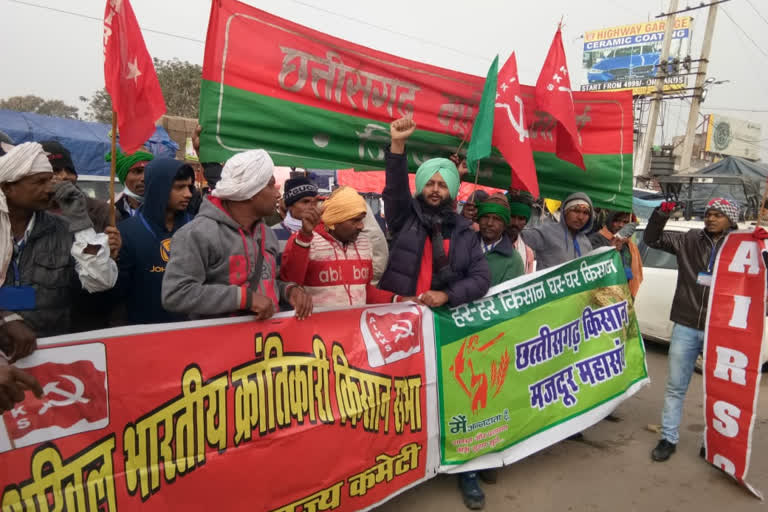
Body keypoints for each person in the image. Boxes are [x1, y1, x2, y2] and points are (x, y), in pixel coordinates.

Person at [381, 118, 490, 510]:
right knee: (405, 400)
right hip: (405, 327)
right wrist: (397, 147)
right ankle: (401, 471)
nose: (435, 189)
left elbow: (481, 278)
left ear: (452, 190)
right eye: (430, 182)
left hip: (448, 326)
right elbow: (394, 189)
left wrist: (447, 295)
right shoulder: (402, 217)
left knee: (458, 400)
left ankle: (467, 472)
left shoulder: (465, 232)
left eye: (442, 184)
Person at [162, 149, 312, 321]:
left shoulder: (267, 234)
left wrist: (289, 290)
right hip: (220, 344)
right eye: (270, 185)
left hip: (267, 343)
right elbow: (175, 294)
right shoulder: (196, 234)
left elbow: (268, 281)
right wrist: (244, 299)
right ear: (249, 191)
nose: (278, 194)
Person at [645, 198, 739, 462]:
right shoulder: (689, 239)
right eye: (708, 214)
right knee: (676, 386)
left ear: (730, 219)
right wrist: (660, 215)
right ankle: (668, 438)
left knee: (718, 390)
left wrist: (761, 248)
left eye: (718, 215)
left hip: (720, 328)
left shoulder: (741, 247)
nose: (711, 218)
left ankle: (712, 442)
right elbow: (653, 239)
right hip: (686, 324)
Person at [0, 142, 119, 337]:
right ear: (7, 187)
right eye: (40, 182)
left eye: (50, 181)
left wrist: (81, 223)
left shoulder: (64, 230)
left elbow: (100, 279)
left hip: (51, 354)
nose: (50, 189)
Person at [280, 186, 400, 308]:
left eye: (362, 220)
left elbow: (364, 291)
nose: (361, 226)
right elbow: (291, 283)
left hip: (354, 325)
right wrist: (304, 238)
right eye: (355, 220)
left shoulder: (364, 244)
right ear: (335, 221)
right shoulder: (304, 241)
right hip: (316, 325)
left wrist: (398, 300)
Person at [115, 159, 194, 325]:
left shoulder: (198, 228)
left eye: (189, 186)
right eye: (179, 187)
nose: (188, 193)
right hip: (144, 333)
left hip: (192, 329)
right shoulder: (127, 232)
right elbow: (116, 294)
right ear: (159, 189)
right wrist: (110, 261)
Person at [42, 141, 111, 233]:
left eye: (69, 170)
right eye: (56, 170)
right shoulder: (30, 213)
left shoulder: (103, 212)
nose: (64, 176)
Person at [521, 192, 594, 270]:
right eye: (576, 211)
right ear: (565, 212)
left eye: (586, 213)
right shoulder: (547, 231)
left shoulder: (587, 244)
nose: (580, 217)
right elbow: (517, 238)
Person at [589, 210, 644, 298]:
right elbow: (592, 271)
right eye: (617, 221)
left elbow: (636, 276)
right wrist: (611, 250)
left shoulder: (630, 245)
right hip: (602, 296)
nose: (621, 225)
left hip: (624, 296)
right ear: (610, 221)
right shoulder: (596, 239)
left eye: (625, 222)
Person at [477, 194, 525, 286]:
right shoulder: (464, 244)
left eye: (496, 219)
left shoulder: (514, 260)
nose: (489, 223)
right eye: (485, 217)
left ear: (505, 224)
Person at [271, 176, 319, 255]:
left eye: (315, 202)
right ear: (290, 206)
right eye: (305, 201)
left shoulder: (324, 233)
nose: (312, 206)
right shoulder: (272, 234)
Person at [105, 148, 154, 221]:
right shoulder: (108, 211)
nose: (144, 178)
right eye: (138, 171)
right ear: (124, 176)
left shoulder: (169, 208)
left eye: (149, 172)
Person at [506, 190, 536, 274]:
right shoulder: (490, 242)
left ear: (526, 222)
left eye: (521, 219)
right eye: (512, 216)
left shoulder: (527, 253)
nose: (515, 223)